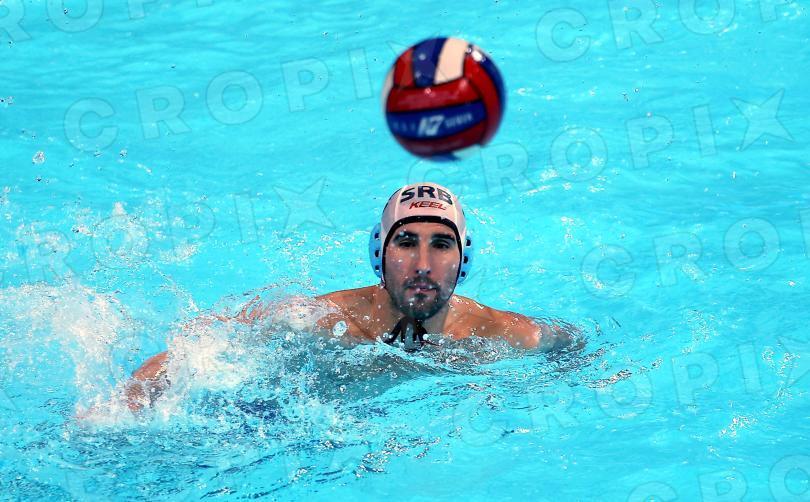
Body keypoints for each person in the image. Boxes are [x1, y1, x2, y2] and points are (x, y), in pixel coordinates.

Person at [126, 182, 576, 410]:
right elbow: (198, 345)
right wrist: (129, 402)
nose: (423, 264)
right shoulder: (326, 320)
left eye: (441, 245)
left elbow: (571, 344)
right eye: (406, 243)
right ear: (379, 253)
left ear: (464, 260)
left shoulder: (498, 332)